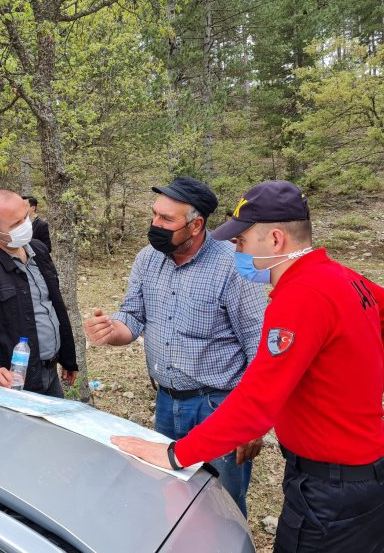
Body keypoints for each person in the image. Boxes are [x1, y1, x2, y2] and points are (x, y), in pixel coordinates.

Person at [112, 180, 384, 553]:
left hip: (333, 491)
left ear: (275, 239)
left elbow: (255, 403)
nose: (235, 248)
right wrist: (354, 388)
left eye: (242, 241)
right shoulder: (339, 276)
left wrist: (174, 454)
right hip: (373, 473)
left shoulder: (300, 295)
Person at [83, 176, 266, 517]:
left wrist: (252, 421)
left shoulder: (233, 266)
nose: (155, 225)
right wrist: (111, 330)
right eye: (154, 215)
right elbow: (132, 317)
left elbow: (260, 347)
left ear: (196, 225)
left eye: (166, 220)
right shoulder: (148, 259)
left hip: (219, 406)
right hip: (167, 401)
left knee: (220, 502)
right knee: (171, 492)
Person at [0, 189, 77, 397]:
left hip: (50, 372)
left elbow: (53, 305)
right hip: (14, 382)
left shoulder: (39, 251)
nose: (25, 226)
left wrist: (67, 356)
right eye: (15, 225)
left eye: (25, 218)